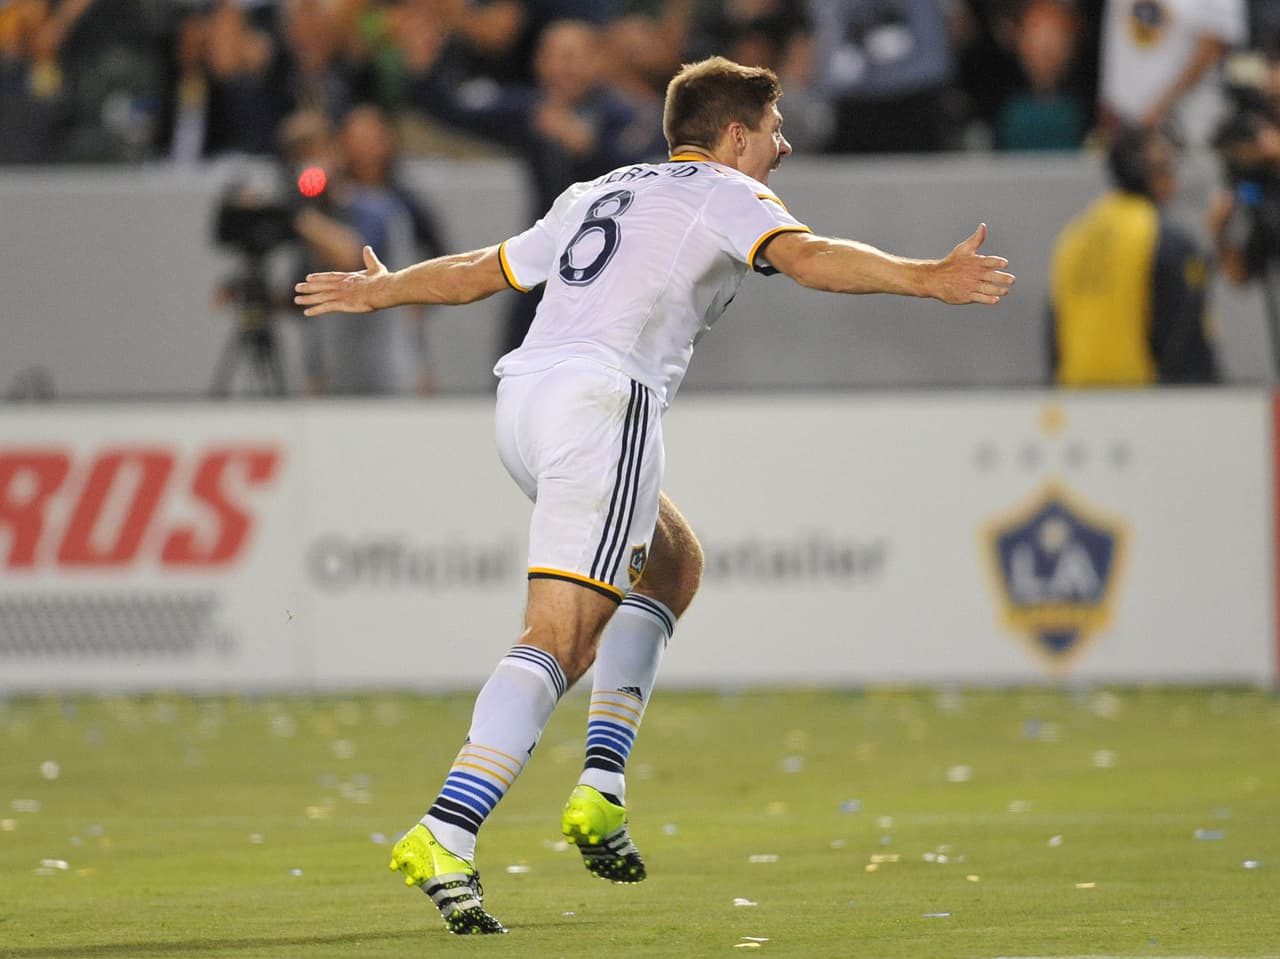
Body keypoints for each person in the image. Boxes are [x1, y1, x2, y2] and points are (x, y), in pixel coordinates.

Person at [294, 55, 1014, 935]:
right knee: (559, 636)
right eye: (774, 132)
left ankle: (599, 787)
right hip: (603, 403)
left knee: (671, 563)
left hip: (524, 402)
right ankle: (448, 825)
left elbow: (487, 268)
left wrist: (383, 289)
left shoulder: (599, 189)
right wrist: (926, 277)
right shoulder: (725, 192)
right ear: (734, 137)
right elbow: (813, 258)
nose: (783, 149)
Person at [1047, 125, 1220, 385]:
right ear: (1150, 175)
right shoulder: (1162, 236)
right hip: (1140, 396)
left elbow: (1054, 328)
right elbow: (1185, 339)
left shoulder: (1075, 235)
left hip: (1076, 396)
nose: (1175, 180)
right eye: (1168, 168)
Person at [1098, 0, 1247, 149]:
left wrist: (1152, 116)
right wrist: (1111, 103)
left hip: (1185, 127)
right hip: (1121, 118)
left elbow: (1210, 51)